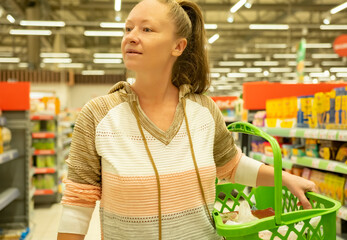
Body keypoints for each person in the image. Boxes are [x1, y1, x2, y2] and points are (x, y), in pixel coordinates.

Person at [57, 0, 317, 239]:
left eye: (146, 29)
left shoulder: (203, 110)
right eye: (128, 29)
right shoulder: (98, 115)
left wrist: (285, 178)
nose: (131, 37)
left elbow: (231, 164)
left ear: (178, 46)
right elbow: (78, 202)